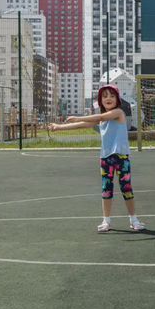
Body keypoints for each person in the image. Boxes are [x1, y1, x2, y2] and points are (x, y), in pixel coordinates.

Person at [48, 85, 145, 233]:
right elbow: (82, 125)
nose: (108, 98)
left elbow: (98, 117)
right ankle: (106, 221)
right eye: (105, 96)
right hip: (106, 159)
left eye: (112, 96)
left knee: (127, 189)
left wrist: (78, 116)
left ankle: (134, 219)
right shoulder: (102, 120)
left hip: (121, 157)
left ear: (117, 99)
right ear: (100, 100)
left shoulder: (119, 113)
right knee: (106, 190)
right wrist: (59, 127)